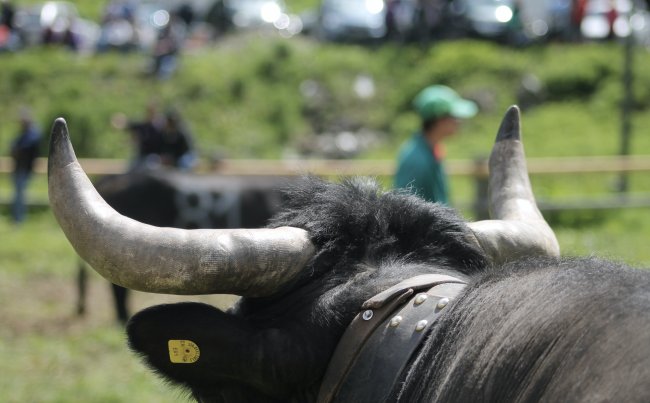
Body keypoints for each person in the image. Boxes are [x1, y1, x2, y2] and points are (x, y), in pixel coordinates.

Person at [394, 85, 477, 205]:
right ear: (440, 120)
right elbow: (404, 209)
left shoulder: (430, 149)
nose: (459, 123)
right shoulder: (416, 160)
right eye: (455, 117)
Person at [10, 110, 41, 223]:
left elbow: (22, 149)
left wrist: (16, 149)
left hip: (24, 168)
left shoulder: (32, 135)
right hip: (20, 168)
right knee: (18, 195)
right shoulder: (24, 134)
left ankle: (19, 219)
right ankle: (17, 218)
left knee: (20, 196)